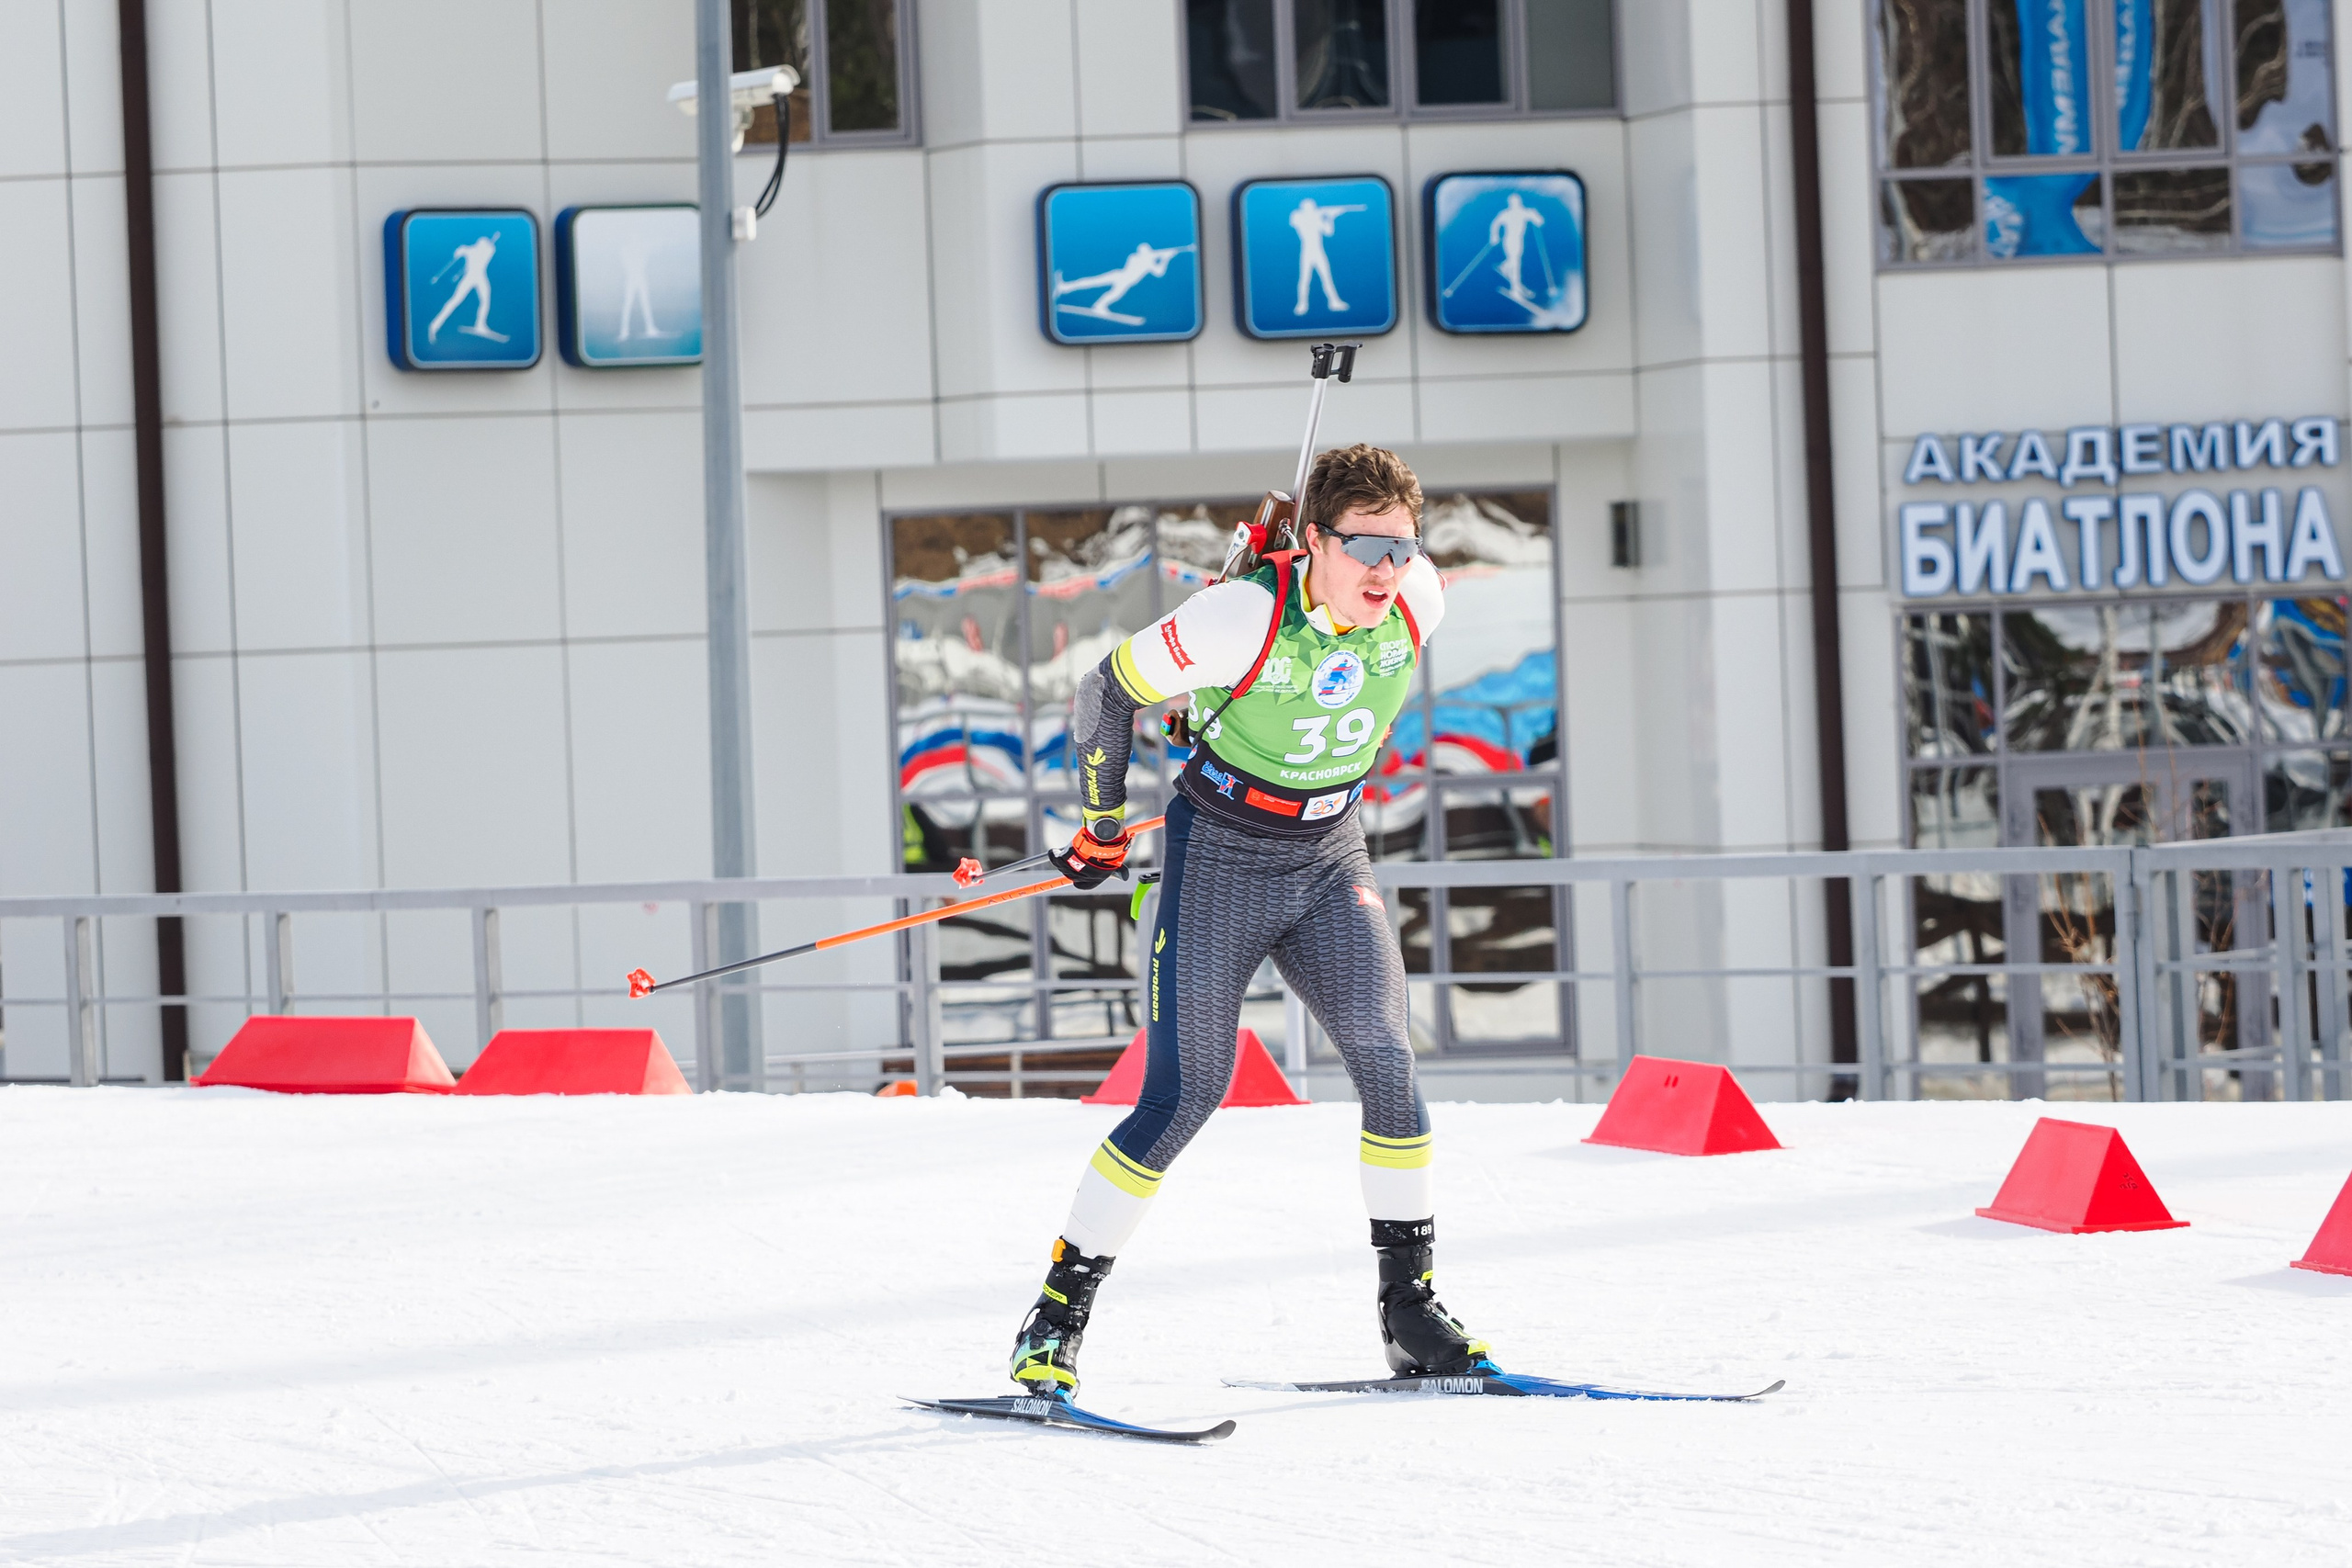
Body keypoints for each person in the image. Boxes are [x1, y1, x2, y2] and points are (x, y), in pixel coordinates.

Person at [1008, 444, 1492, 1397]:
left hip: (1329, 856)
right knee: (1187, 1093)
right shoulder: (1238, 617)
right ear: (1314, 541)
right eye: (1365, 549)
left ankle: (1410, 1310)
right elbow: (1105, 691)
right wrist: (1101, 824)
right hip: (1221, 860)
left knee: (1386, 1057)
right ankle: (1056, 1317)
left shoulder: (1419, 598)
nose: (1388, 571)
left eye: (1403, 547)